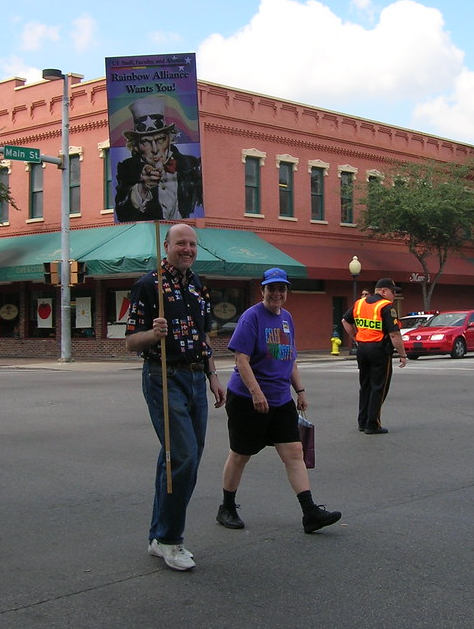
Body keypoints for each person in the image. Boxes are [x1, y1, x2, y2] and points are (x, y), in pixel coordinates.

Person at [125, 223, 225, 571]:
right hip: (163, 376)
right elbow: (130, 341)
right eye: (180, 243)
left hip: (197, 378)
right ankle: (171, 539)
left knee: (180, 456)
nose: (187, 249)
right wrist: (153, 333)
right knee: (182, 457)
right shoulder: (147, 285)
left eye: (192, 244)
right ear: (166, 245)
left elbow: (202, 337)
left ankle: (158, 535)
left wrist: (213, 375)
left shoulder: (198, 285)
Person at [216, 267, 341, 534]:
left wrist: (301, 391)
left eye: (281, 288)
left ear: (286, 292)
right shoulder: (252, 317)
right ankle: (226, 507)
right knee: (241, 454)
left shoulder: (287, 318)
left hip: (281, 399)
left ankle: (310, 513)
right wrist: (256, 392)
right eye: (271, 288)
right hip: (247, 399)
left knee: (294, 452)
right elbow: (240, 359)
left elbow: (289, 358)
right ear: (263, 290)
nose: (277, 293)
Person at [113, 96, 203, 222]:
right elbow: (122, 213)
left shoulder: (191, 165)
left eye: (160, 139)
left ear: (170, 139)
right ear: (137, 146)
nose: (155, 149)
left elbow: (199, 205)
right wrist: (143, 188)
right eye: (146, 142)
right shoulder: (126, 170)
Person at [341, 277, 407, 434]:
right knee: (379, 387)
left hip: (362, 349)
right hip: (379, 350)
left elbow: (345, 320)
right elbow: (394, 334)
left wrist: (356, 337)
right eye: (393, 292)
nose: (394, 296)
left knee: (365, 386)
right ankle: (373, 424)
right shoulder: (386, 306)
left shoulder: (359, 303)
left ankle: (362, 422)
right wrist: (403, 354)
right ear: (383, 291)